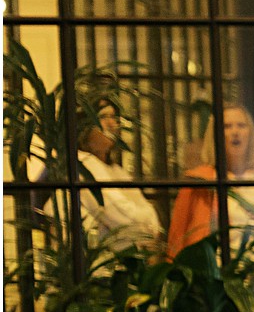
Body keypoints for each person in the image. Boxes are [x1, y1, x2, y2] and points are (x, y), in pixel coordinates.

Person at [27, 98, 162, 252]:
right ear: (84, 126)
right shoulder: (82, 165)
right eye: (103, 117)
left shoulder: (116, 170)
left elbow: (152, 223)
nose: (112, 124)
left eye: (114, 117)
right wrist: (144, 223)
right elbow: (124, 219)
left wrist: (144, 224)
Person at [167, 105, 254, 256]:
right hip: (219, 271)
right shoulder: (200, 182)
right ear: (216, 134)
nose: (235, 132)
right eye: (227, 126)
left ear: (250, 132)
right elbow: (178, 237)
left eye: (241, 125)